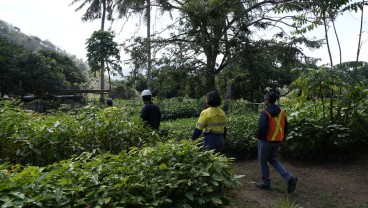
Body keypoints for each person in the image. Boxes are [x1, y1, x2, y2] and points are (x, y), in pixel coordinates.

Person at [256, 91, 297, 193]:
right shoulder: (282, 112)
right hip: (277, 140)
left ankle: (266, 183)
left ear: (268, 100)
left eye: (265, 98)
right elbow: (285, 127)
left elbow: (262, 128)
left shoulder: (265, 113)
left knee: (263, 161)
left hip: (266, 141)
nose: (264, 100)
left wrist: (259, 137)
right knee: (273, 160)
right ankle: (290, 177)